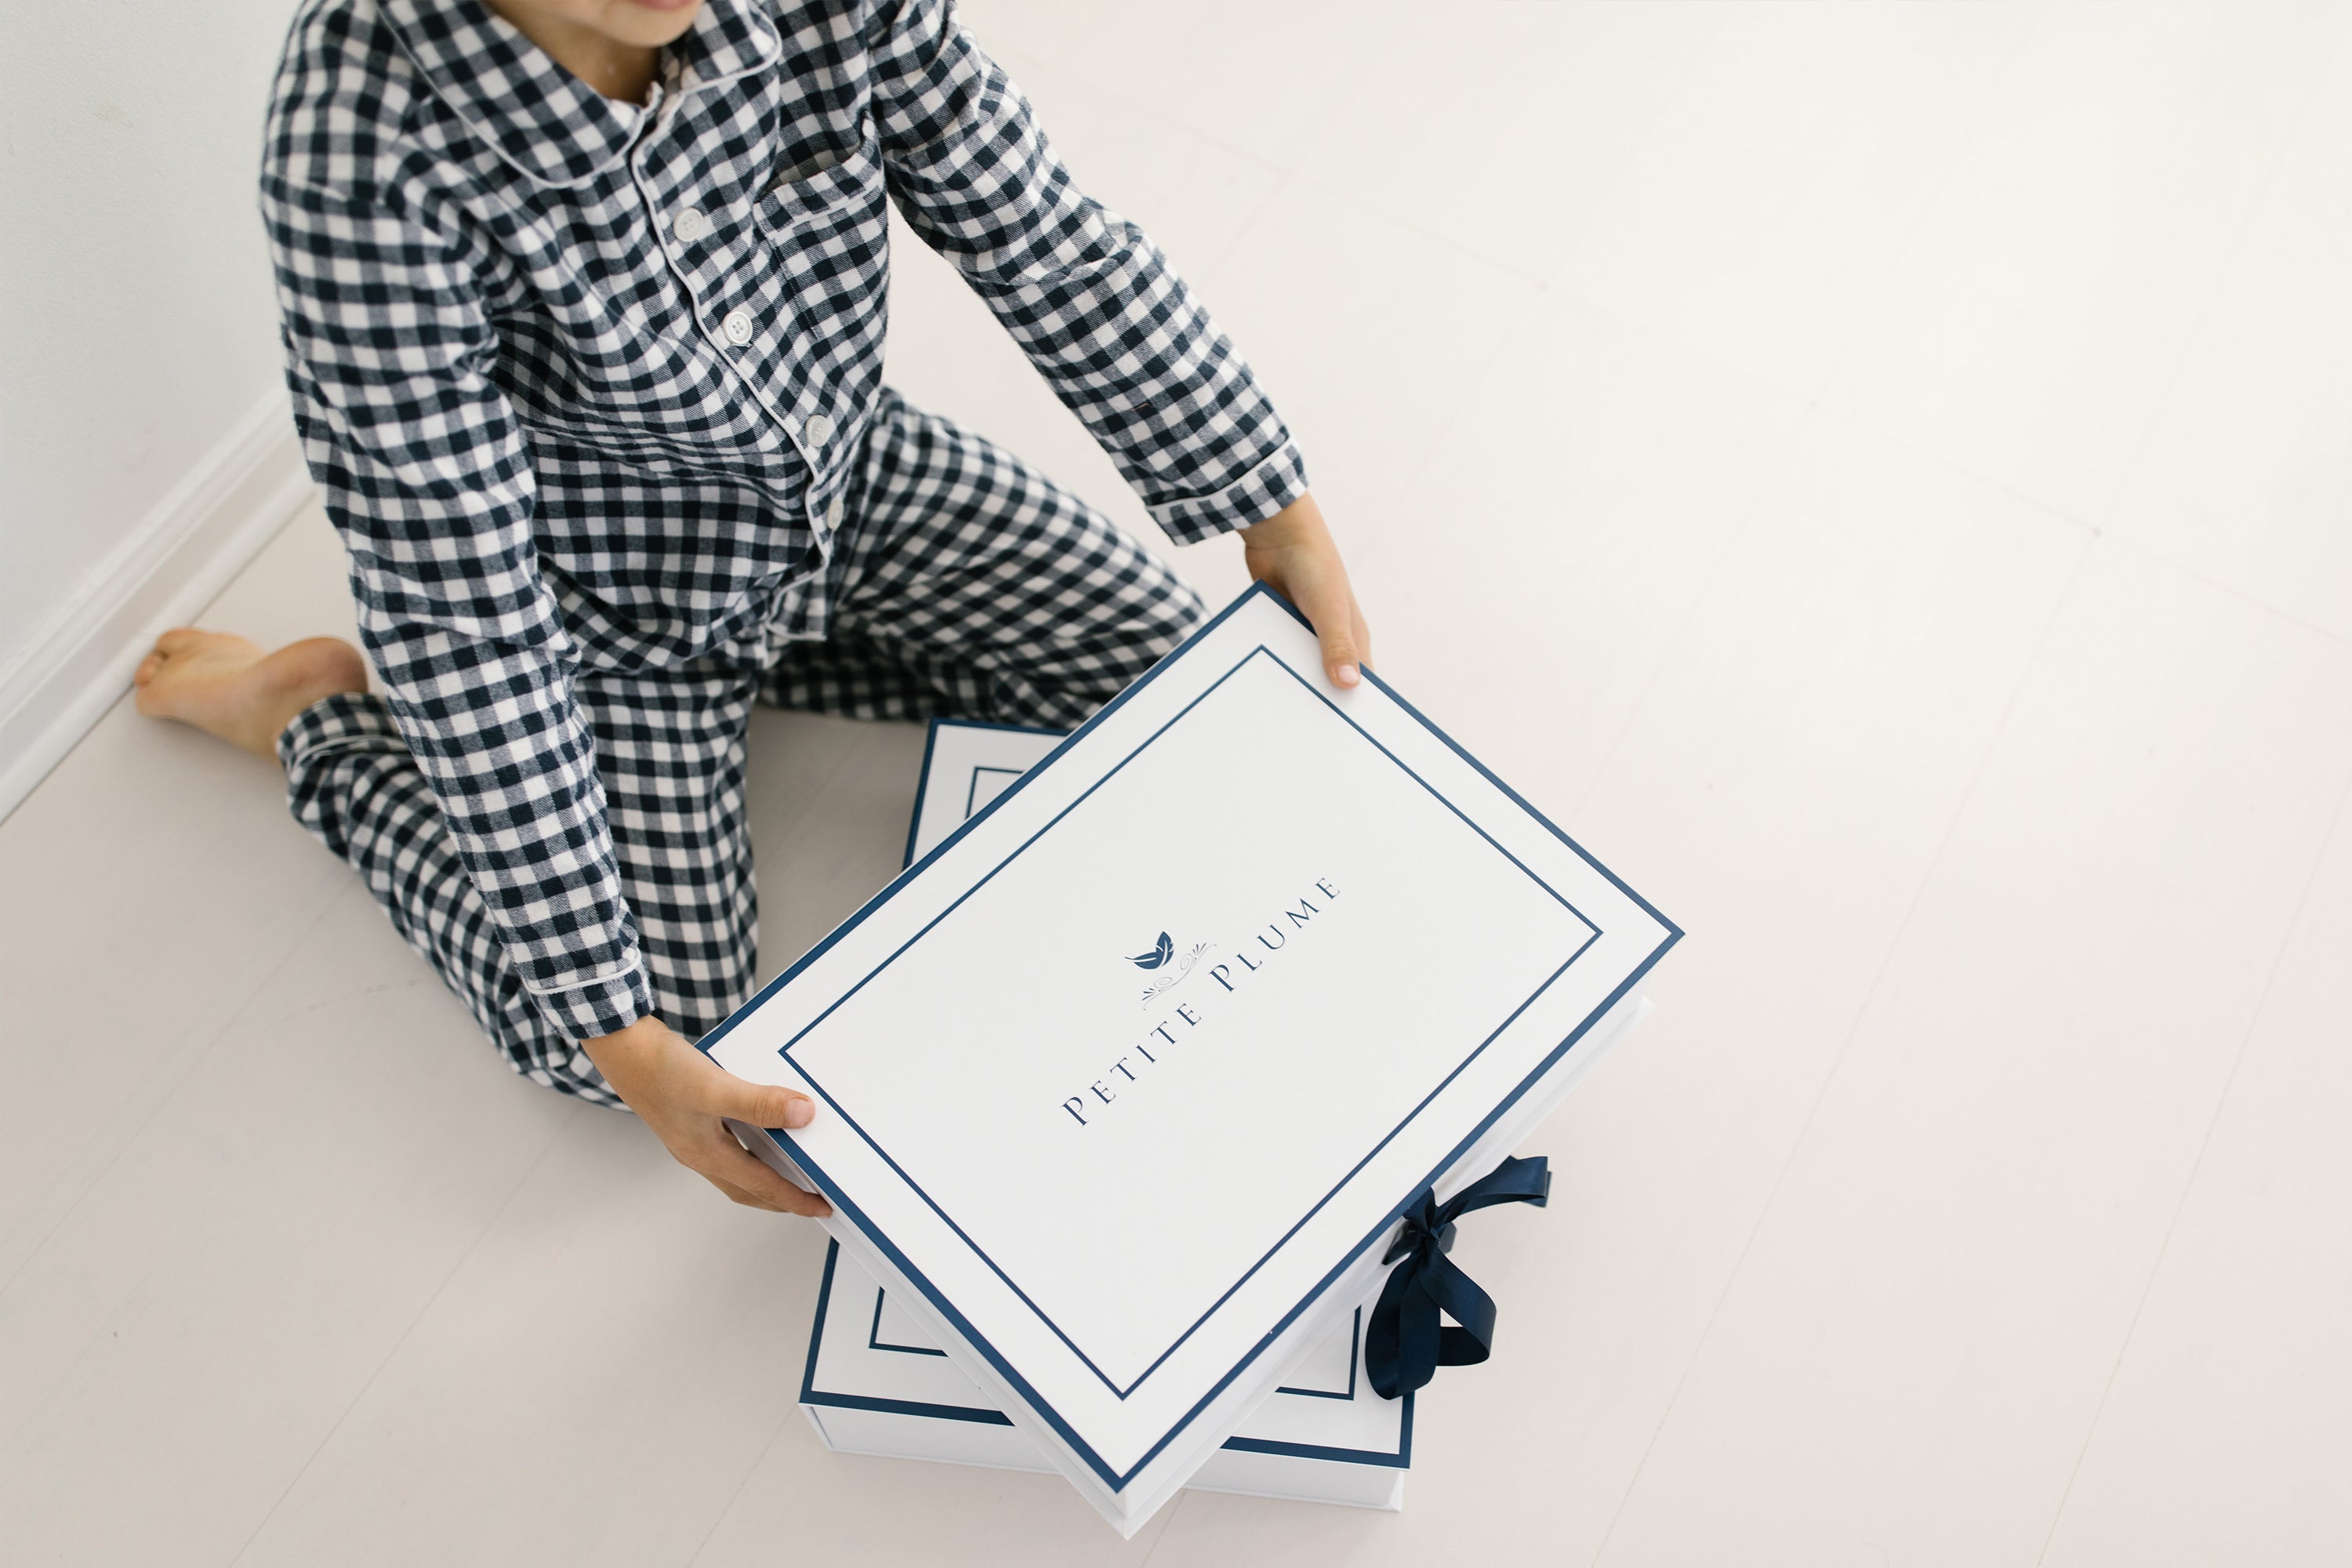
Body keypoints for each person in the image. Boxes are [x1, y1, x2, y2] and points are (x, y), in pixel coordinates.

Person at [134, 0, 1370, 1219]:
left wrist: (1268, 500)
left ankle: (789, 669)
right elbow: (465, 604)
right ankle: (326, 730)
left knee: (1182, 691)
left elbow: (1039, 235)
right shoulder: (362, 147)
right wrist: (612, 1020)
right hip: (607, 623)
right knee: (653, 1047)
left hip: (855, 485)